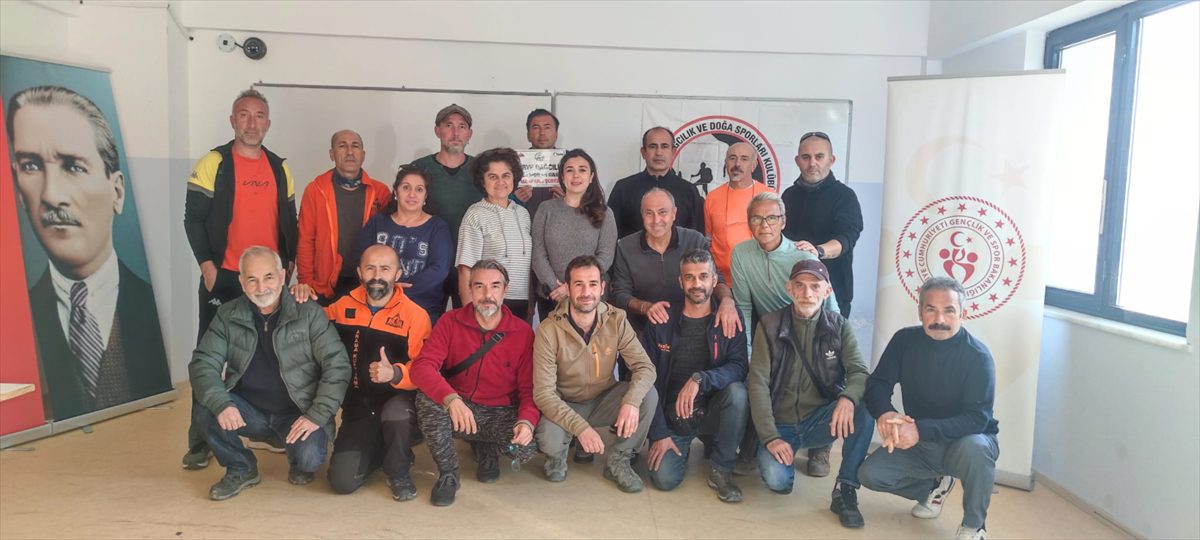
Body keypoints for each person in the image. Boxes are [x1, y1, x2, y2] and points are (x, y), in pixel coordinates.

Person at [6, 85, 171, 420]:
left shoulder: (151, 307)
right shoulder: (17, 321)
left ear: (117, 191)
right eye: (31, 166)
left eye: (73, 166)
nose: (51, 195)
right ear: (19, 191)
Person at [183, 88, 299, 470]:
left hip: (269, 281)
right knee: (208, 356)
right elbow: (193, 219)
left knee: (273, 353)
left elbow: (290, 222)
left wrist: (288, 268)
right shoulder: (214, 163)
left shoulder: (279, 168)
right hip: (226, 277)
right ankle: (200, 441)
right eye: (244, 115)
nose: (252, 123)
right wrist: (207, 266)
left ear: (268, 123)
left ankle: (272, 430)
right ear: (233, 121)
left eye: (259, 115)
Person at [189, 246, 350, 501]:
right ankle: (241, 467)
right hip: (249, 412)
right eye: (252, 279)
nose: (261, 287)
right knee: (207, 406)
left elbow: (337, 364)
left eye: (268, 277)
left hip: (298, 411)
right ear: (242, 282)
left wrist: (317, 415)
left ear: (282, 276)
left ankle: (296, 456)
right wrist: (222, 404)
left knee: (309, 460)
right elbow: (203, 363)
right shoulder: (227, 314)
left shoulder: (308, 313)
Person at [858, 277, 1000, 540]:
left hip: (963, 441)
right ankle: (935, 485)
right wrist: (885, 413)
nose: (939, 319)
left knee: (976, 447)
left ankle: (974, 527)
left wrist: (919, 430)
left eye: (949, 310)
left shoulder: (978, 357)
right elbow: (878, 383)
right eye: (931, 309)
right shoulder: (904, 340)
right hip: (922, 445)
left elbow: (977, 419)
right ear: (920, 311)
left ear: (963, 314)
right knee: (870, 475)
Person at [748, 259, 873, 529]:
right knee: (778, 481)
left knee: (865, 404)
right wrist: (770, 438)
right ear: (789, 289)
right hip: (780, 425)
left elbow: (860, 371)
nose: (807, 293)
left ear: (827, 291)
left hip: (819, 419)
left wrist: (848, 398)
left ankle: (846, 488)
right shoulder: (769, 325)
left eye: (815, 286)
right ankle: (784, 453)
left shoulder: (839, 326)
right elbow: (757, 384)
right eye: (800, 286)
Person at [406, 260, 539, 507]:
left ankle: (487, 448)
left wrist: (526, 422)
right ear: (469, 289)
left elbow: (528, 390)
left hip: (500, 412)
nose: (487, 294)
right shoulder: (450, 321)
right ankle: (449, 473)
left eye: (495, 286)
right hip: (462, 409)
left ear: (505, 290)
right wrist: (451, 399)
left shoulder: (523, 333)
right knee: (427, 401)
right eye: (479, 286)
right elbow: (422, 367)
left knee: (528, 448)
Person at [731, 191, 838, 476]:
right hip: (772, 335)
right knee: (756, 381)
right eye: (757, 218)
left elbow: (832, 308)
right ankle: (753, 445)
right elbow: (743, 306)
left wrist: (831, 349)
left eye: (771, 218)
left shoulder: (803, 255)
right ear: (749, 222)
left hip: (812, 335)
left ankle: (820, 448)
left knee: (824, 380)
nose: (764, 224)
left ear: (783, 221)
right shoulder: (741, 254)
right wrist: (749, 351)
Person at [532, 255, 659, 493]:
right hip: (565, 402)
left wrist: (631, 402)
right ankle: (558, 455)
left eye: (592, 284)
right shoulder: (548, 330)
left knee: (647, 396)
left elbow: (645, 367)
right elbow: (543, 394)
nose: (586, 292)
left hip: (603, 399)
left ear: (602, 288)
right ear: (568, 288)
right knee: (549, 440)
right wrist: (582, 428)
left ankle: (618, 460)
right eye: (578, 284)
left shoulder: (616, 319)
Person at [323, 245, 432, 501]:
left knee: (396, 414)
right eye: (370, 268)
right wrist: (299, 295)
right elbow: (311, 321)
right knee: (342, 481)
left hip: (399, 406)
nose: (377, 276)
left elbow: (425, 370)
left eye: (385, 269)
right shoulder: (342, 306)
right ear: (360, 272)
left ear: (398, 274)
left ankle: (398, 471)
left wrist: (395, 374)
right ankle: (383, 449)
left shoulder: (416, 316)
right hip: (359, 411)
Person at [643, 250, 749, 503]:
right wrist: (659, 433)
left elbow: (738, 366)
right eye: (689, 278)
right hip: (674, 416)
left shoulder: (729, 318)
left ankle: (721, 467)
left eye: (703, 276)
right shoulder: (662, 319)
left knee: (738, 393)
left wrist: (700, 379)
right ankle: (682, 443)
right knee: (664, 479)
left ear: (714, 280)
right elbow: (646, 380)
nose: (696, 284)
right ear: (680, 282)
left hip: (713, 410)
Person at [610, 188, 740, 339]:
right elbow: (620, 294)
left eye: (662, 212)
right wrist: (646, 307)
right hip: (643, 331)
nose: (656, 220)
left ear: (674, 213)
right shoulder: (625, 247)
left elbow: (717, 280)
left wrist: (727, 301)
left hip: (691, 327)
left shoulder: (695, 240)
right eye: (649, 213)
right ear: (642, 215)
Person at [295, 129, 391, 304]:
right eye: (342, 146)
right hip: (325, 284)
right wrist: (305, 282)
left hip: (368, 282)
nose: (349, 152)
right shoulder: (315, 190)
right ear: (332, 154)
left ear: (363, 155)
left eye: (355, 146)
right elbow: (305, 240)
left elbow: (392, 237)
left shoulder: (380, 192)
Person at [781, 131, 863, 318]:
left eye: (819, 157)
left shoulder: (845, 196)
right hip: (791, 293)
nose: (812, 163)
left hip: (833, 293)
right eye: (806, 157)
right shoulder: (788, 195)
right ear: (797, 161)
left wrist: (818, 251)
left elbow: (848, 238)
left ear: (831, 160)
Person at [355, 166, 452, 322]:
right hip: (377, 305)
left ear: (426, 196)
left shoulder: (437, 227)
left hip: (421, 308)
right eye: (406, 187)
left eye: (419, 189)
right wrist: (385, 290)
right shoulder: (377, 222)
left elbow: (439, 269)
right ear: (396, 192)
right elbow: (361, 260)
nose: (412, 194)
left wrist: (397, 290)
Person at [530, 149, 617, 321]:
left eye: (582, 170)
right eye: (570, 170)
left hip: (589, 296)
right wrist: (555, 286)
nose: (576, 175)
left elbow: (606, 256)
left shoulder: (605, 213)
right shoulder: (546, 209)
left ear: (591, 177)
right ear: (562, 177)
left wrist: (572, 288)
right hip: (553, 295)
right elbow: (538, 253)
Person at [410, 103, 481, 311]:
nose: (455, 133)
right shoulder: (418, 169)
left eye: (462, 126)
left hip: (470, 265)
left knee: (468, 323)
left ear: (469, 134)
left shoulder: (482, 170)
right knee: (425, 323)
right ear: (437, 131)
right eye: (449, 126)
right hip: (426, 264)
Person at [455, 147, 532, 320]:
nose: (500, 182)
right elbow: (465, 268)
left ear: (514, 178)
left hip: (522, 300)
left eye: (506, 175)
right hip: (488, 300)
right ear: (482, 181)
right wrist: (470, 314)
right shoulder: (475, 214)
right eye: (492, 177)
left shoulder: (523, 214)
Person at [608, 126, 705, 238]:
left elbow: (697, 238)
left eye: (664, 146)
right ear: (643, 152)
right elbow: (609, 235)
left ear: (673, 152)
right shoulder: (623, 189)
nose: (658, 153)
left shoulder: (689, 191)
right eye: (652, 146)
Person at [704, 142, 771, 285]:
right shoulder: (712, 197)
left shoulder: (769, 196)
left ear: (753, 165)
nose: (737, 164)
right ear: (726, 163)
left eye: (744, 159)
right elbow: (709, 239)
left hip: (759, 281)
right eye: (732, 158)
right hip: (722, 282)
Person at [512, 108, 564, 217]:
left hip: (560, 222)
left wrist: (569, 199)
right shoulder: (513, 162)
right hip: (523, 223)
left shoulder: (571, 162)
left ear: (556, 134)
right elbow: (497, 199)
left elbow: (588, 198)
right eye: (536, 127)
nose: (542, 133)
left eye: (547, 127)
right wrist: (514, 199)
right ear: (528, 135)